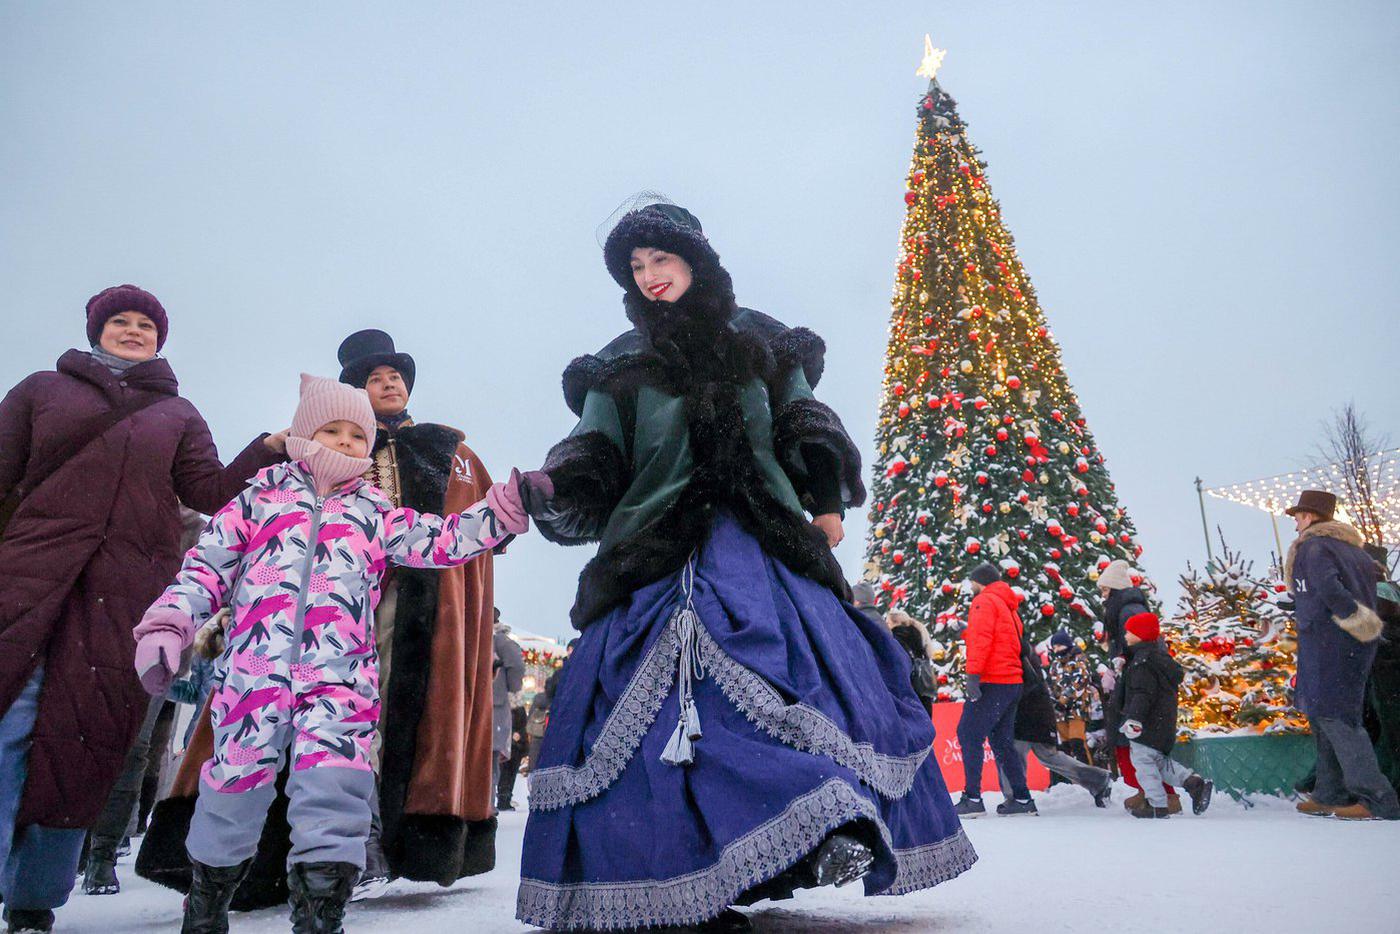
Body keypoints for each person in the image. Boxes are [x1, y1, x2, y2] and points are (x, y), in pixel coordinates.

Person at [517, 197, 974, 932]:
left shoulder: (762, 343)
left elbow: (802, 419)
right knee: (667, 725)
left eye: (661, 259)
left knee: (822, 684)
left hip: (765, 543)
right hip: (655, 552)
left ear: (696, 259)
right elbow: (595, 453)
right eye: (636, 266)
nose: (650, 275)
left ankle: (826, 834)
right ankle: (684, 878)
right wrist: (550, 487)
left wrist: (825, 495)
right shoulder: (621, 368)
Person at [130, 374, 543, 933]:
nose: (347, 442)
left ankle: (321, 915)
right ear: (304, 434)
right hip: (253, 676)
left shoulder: (375, 512)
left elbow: (442, 540)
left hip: (340, 681)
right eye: (333, 430)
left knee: (334, 798)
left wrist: (502, 509)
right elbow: (205, 567)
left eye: (357, 435)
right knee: (232, 790)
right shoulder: (259, 496)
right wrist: (170, 622)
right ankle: (206, 908)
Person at [0, 285, 283, 932]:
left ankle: (33, 899)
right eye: (119, 322)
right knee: (10, 717)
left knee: (83, 737)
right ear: (96, 330)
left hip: (124, 595)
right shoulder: (42, 390)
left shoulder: (177, 414)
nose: (132, 331)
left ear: (160, 339)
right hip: (26, 577)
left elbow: (211, 490)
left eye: (145, 325)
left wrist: (267, 447)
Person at [1283, 491, 1399, 820]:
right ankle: (1329, 793)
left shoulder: (1313, 547)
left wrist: (1356, 620)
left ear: (1309, 516)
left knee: (1339, 719)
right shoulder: (1354, 551)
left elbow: (1331, 589)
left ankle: (1378, 799)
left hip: (1330, 644)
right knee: (1324, 717)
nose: (1295, 522)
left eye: (1297, 516)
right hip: (1344, 645)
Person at [954, 563, 1034, 817]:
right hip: (1011, 682)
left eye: (972, 582)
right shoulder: (1008, 606)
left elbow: (981, 640)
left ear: (980, 581)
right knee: (1002, 741)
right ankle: (1022, 799)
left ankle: (972, 798)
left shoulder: (984, 601)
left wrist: (973, 677)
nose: (971, 587)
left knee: (968, 734)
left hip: (993, 680)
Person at [1097, 559, 1178, 812]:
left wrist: (1124, 662)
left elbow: (1144, 642)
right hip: (1133, 679)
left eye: (1105, 590)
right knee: (1131, 742)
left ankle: (1163, 795)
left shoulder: (1128, 610)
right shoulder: (1125, 609)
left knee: (1136, 742)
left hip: (1138, 683)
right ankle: (1149, 791)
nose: (1103, 596)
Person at [997, 635, 1112, 808]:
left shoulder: (1016, 656)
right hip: (1040, 713)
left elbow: (1026, 686)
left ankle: (1016, 798)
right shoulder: (1026, 654)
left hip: (1028, 715)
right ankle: (1098, 779)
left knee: (1013, 753)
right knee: (1049, 756)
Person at [1118, 613, 1213, 819]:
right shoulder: (1161, 659)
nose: (1125, 635)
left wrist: (1134, 719)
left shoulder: (1142, 663)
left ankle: (1157, 805)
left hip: (1146, 723)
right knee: (1159, 762)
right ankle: (1193, 783)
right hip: (1164, 722)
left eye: (1130, 631)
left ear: (1140, 635)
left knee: (1143, 764)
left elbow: (1142, 694)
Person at [1044, 629, 1099, 767]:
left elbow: (1080, 681)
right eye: (1054, 647)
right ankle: (1070, 781)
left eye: (1059, 646)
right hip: (1059, 711)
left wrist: (1063, 700)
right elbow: (1051, 684)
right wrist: (1053, 701)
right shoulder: (1055, 664)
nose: (1057, 650)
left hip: (1077, 708)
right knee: (1065, 746)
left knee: (1077, 742)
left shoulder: (1078, 660)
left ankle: (1091, 776)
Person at [492, 615, 525, 811]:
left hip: (481, 704)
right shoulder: (501, 641)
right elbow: (517, 666)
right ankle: (485, 806)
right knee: (489, 759)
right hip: (495, 706)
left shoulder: (493, 640)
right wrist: (513, 690)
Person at [885, 609, 938, 716]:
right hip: (923, 686)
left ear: (896, 623)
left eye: (888, 623)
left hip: (909, 687)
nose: (886, 626)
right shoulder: (918, 634)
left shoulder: (897, 637)